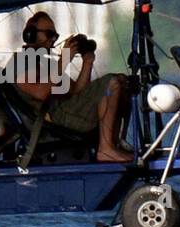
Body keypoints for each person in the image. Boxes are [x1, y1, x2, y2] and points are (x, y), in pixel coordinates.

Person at [10, 11, 132, 163]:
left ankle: (114, 144)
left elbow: (76, 92)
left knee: (121, 81)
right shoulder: (20, 61)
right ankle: (106, 149)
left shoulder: (47, 64)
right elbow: (40, 92)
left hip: (66, 113)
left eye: (55, 35)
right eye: (49, 34)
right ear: (30, 35)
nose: (53, 39)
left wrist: (87, 63)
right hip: (52, 122)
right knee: (111, 83)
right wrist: (64, 60)